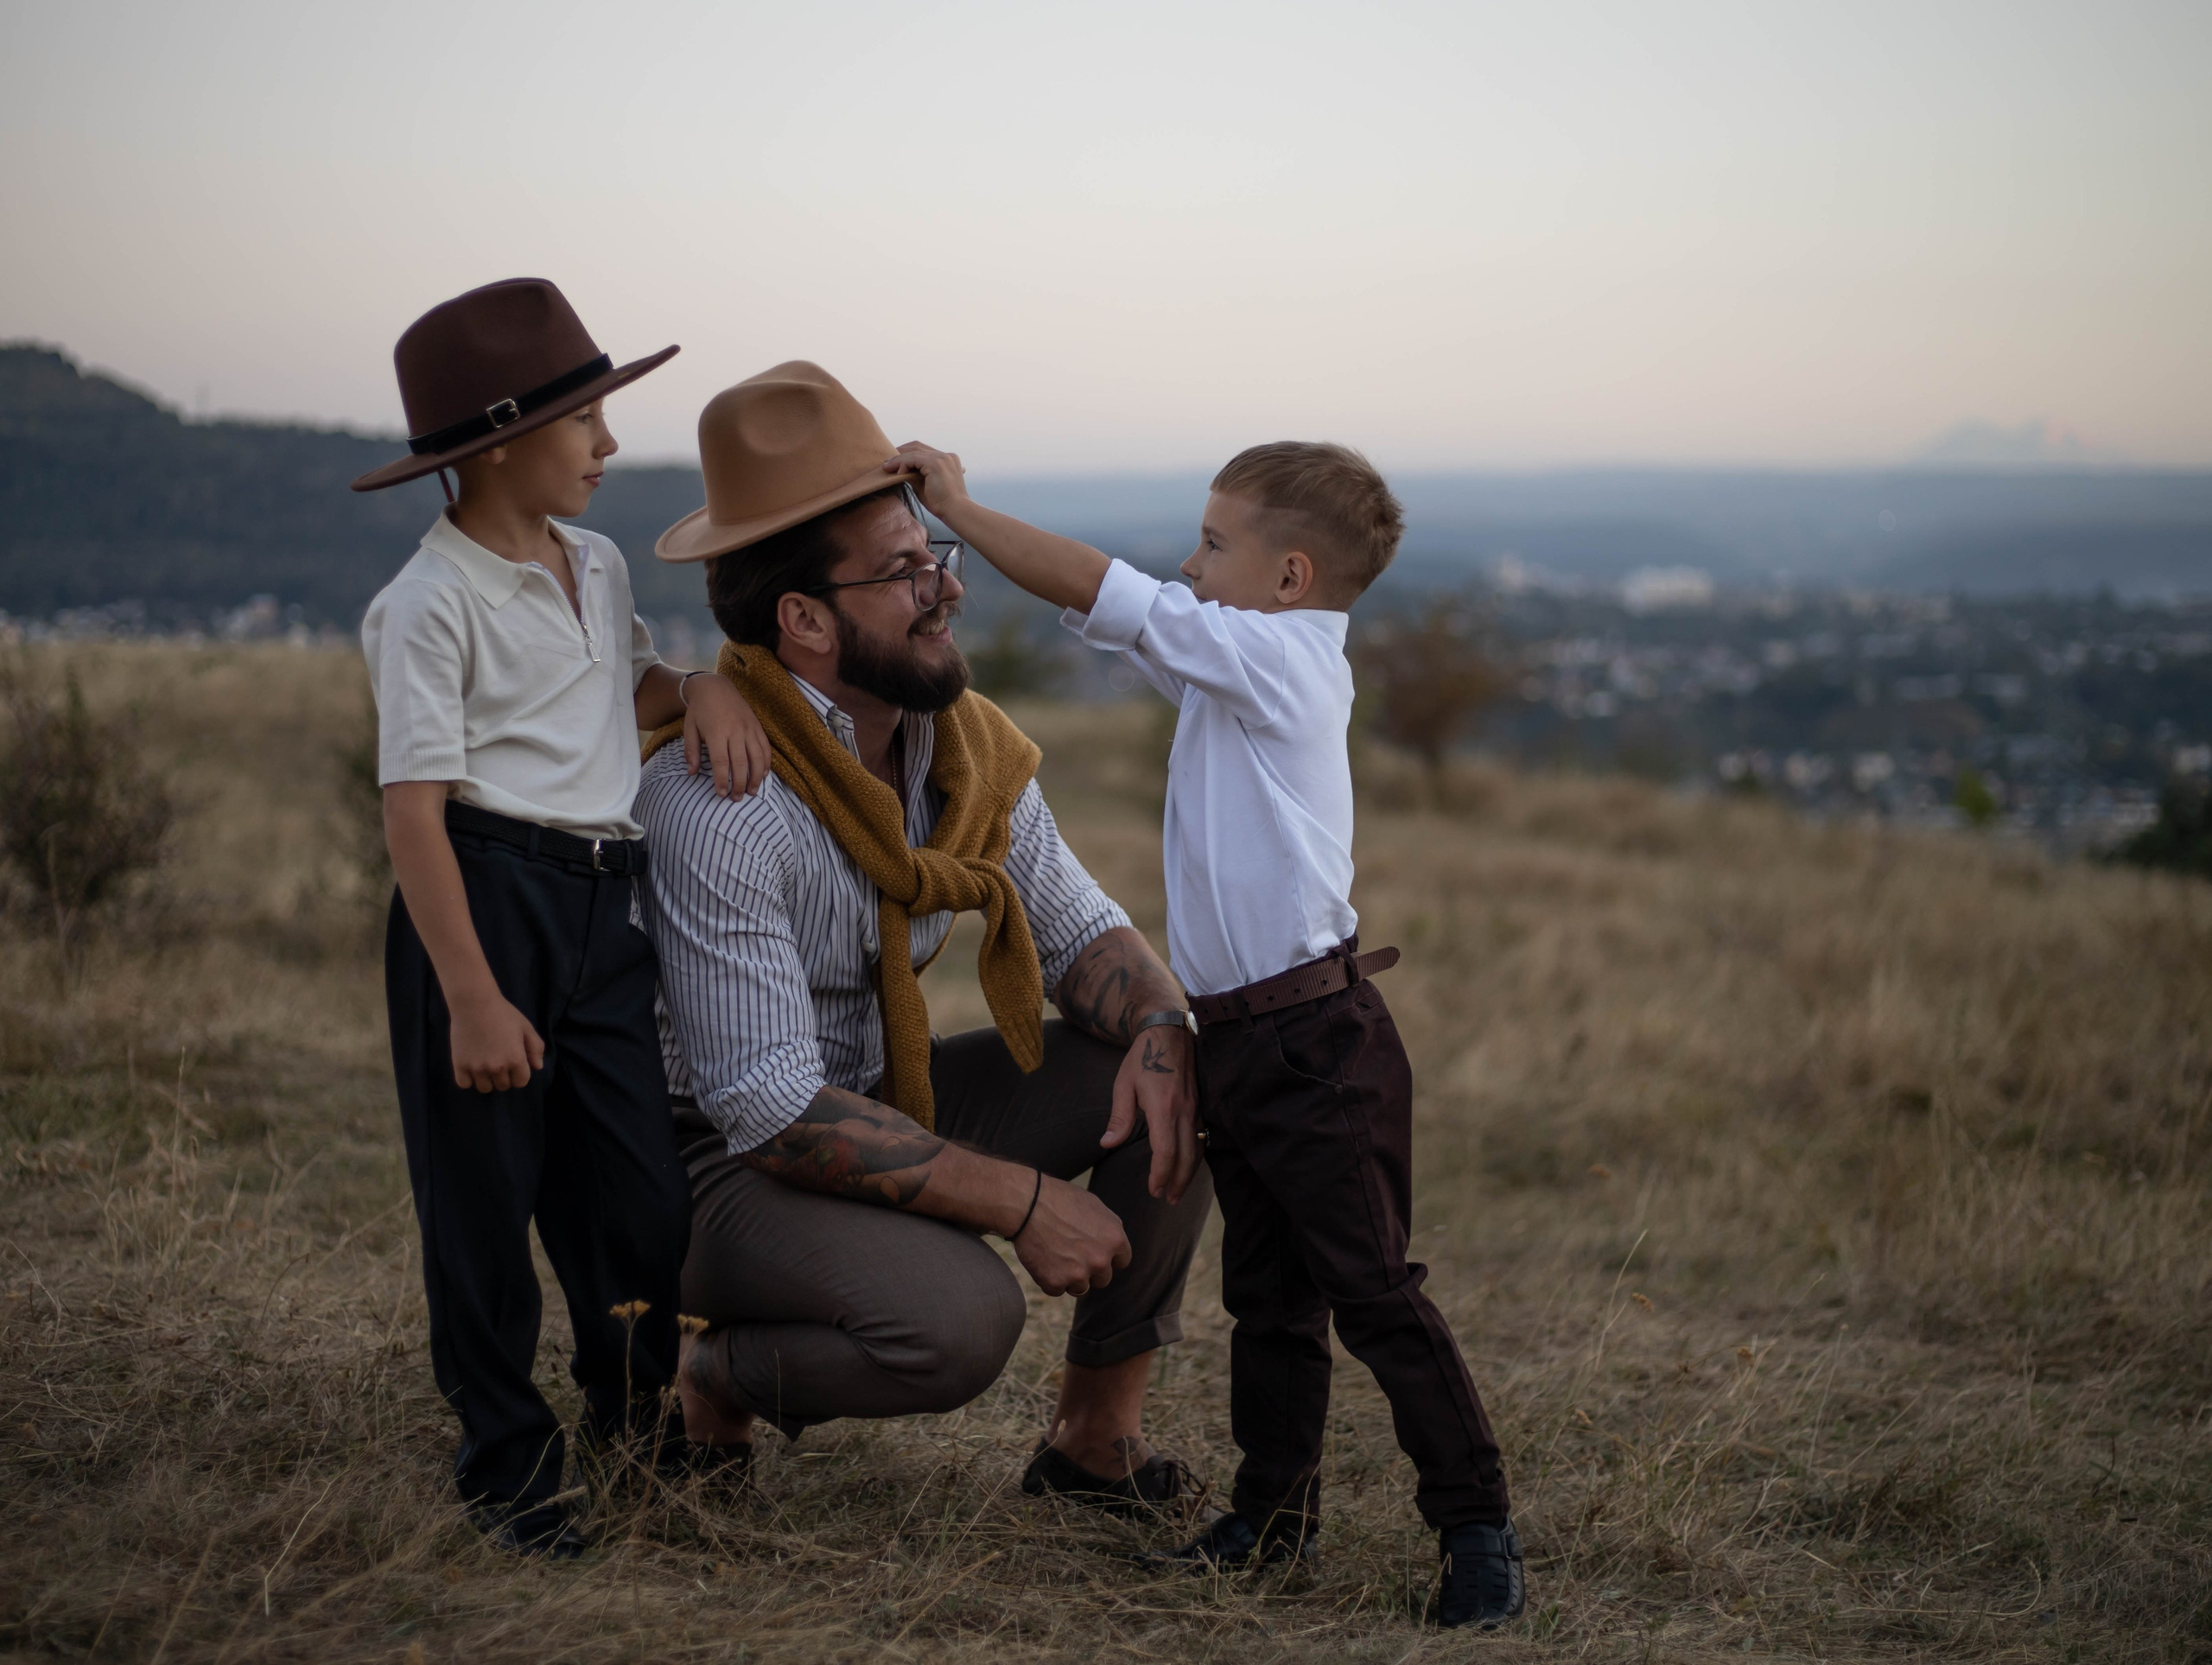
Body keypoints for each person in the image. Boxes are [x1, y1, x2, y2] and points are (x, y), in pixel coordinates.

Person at [889, 438, 1526, 1630]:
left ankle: (1478, 1528)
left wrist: (959, 511)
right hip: (1245, 1042)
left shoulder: (1283, 661)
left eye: (1214, 544)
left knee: (1375, 1294)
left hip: (1315, 1045)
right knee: (1272, 1301)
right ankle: (1273, 1521)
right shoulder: (1239, 664)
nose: (1188, 565)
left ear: (1291, 577)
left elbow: (1099, 589)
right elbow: (1126, 618)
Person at [634, 362, 1212, 1513]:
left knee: (1178, 1073)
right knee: (960, 1320)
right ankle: (712, 1374)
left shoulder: (966, 757)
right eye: (903, 574)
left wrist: (1160, 1023)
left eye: (931, 557)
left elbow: (1078, 926)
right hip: (707, 1163)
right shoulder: (719, 804)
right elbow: (772, 1109)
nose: (944, 588)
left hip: (874, 1095)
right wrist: (1019, 1201)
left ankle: (1091, 1449)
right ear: (802, 620)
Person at [354, 278, 766, 1558]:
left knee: (635, 1199)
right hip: (484, 901)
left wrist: (690, 686)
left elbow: (618, 689)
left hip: (604, 902)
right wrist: (472, 995)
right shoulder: (427, 605)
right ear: (492, 444)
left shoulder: (590, 565)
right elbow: (413, 816)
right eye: (584, 420)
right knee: (484, 1206)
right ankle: (506, 1466)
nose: (606, 444)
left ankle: (635, 1422)